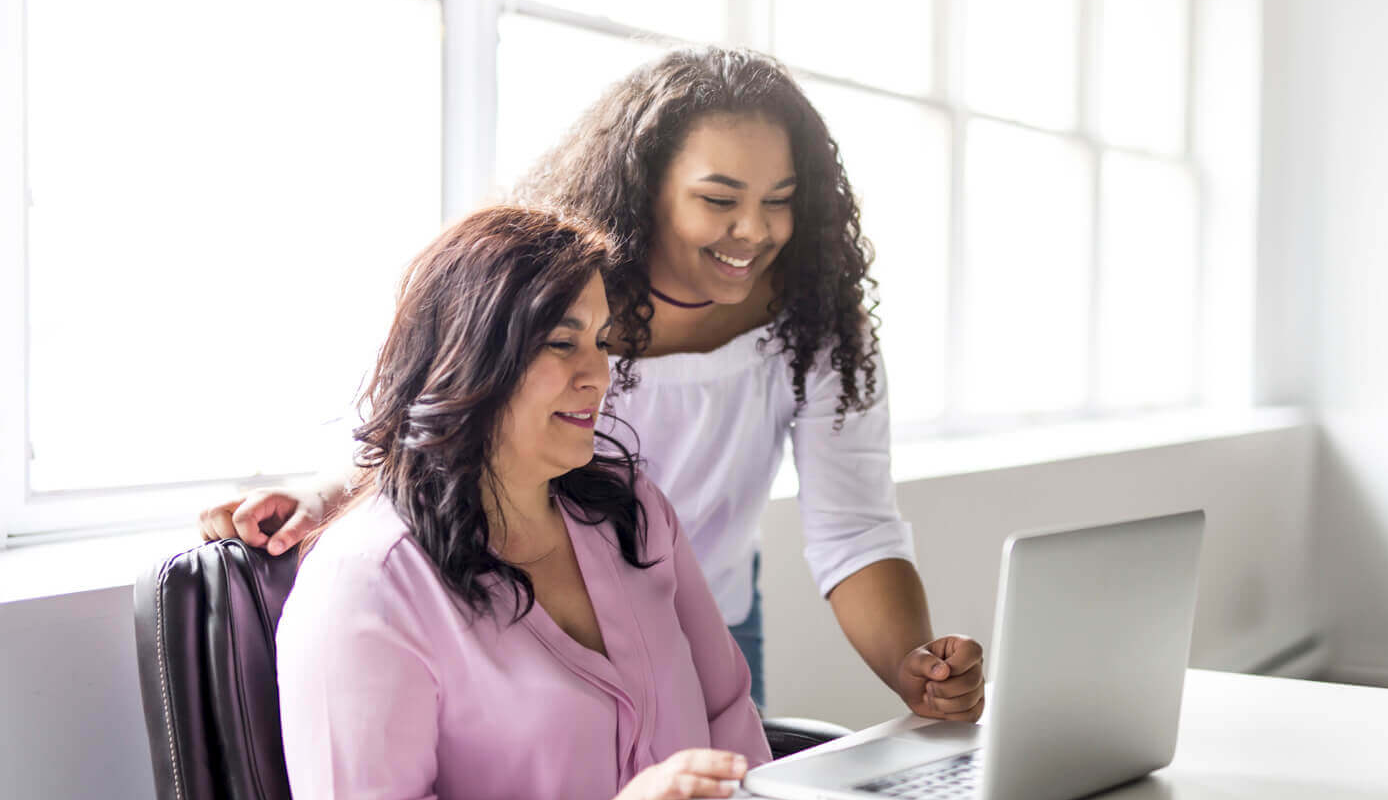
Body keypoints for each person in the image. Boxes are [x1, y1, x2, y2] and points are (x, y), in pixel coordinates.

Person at [202, 46, 984, 722]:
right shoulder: (569, 300)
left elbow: (854, 531)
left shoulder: (818, 328)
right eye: (719, 200)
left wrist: (914, 666)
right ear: (648, 188)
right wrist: (327, 495)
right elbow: (452, 416)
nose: (755, 232)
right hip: (545, 615)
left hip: (710, 619)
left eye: (779, 203)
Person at [277, 206, 770, 800]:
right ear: (472, 355)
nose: (597, 374)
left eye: (600, 342)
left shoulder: (629, 508)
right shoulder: (370, 581)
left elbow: (727, 708)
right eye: (561, 343)